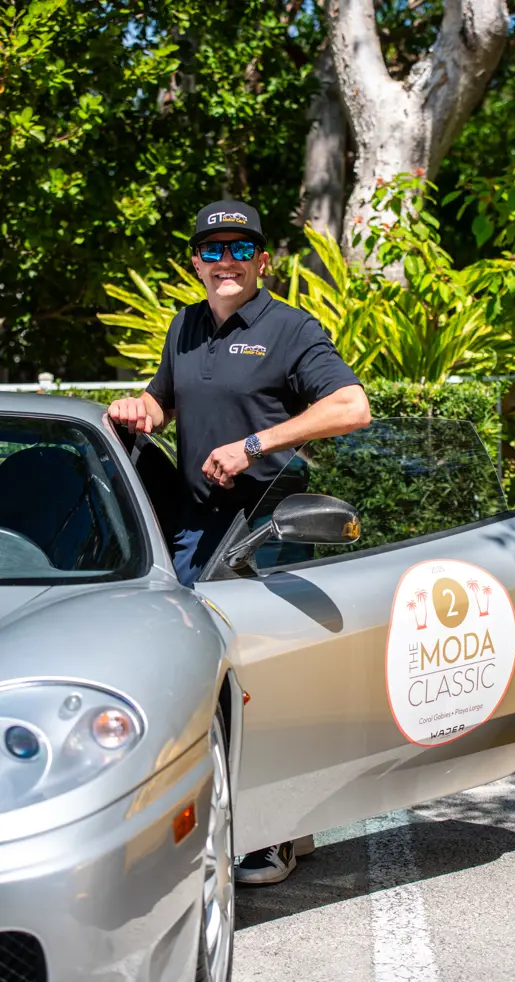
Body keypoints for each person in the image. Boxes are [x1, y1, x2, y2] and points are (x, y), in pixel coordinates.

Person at [108, 198, 370, 884]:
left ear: (262, 260)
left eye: (238, 249)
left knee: (265, 678)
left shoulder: (288, 329)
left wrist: (256, 442)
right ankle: (221, 813)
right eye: (211, 250)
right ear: (194, 261)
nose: (224, 262)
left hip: (270, 525)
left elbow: (352, 405)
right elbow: (165, 402)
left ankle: (275, 834)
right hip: (196, 527)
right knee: (204, 670)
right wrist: (142, 410)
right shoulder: (185, 327)